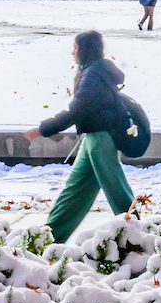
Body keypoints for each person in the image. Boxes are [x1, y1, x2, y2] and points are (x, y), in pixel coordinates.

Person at [37, 30, 136, 243]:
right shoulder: (94, 71)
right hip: (93, 138)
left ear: (84, 50)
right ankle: (49, 238)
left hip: (100, 139)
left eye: (75, 48)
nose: (72, 52)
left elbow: (77, 110)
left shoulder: (93, 75)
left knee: (118, 194)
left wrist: (45, 128)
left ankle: (140, 239)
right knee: (74, 193)